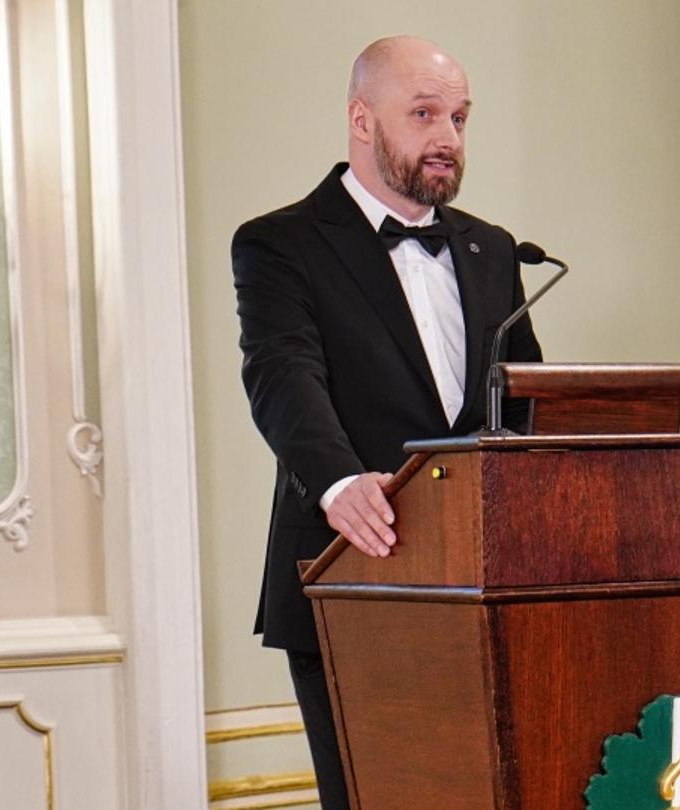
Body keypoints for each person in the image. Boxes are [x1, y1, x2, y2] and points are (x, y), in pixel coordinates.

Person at [231, 37, 542, 809]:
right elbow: (281, 373)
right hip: (352, 577)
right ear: (362, 119)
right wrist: (340, 483)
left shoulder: (494, 249)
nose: (449, 137)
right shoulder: (281, 243)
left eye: (460, 118)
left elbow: (529, 398)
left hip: (485, 587)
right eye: (425, 114)